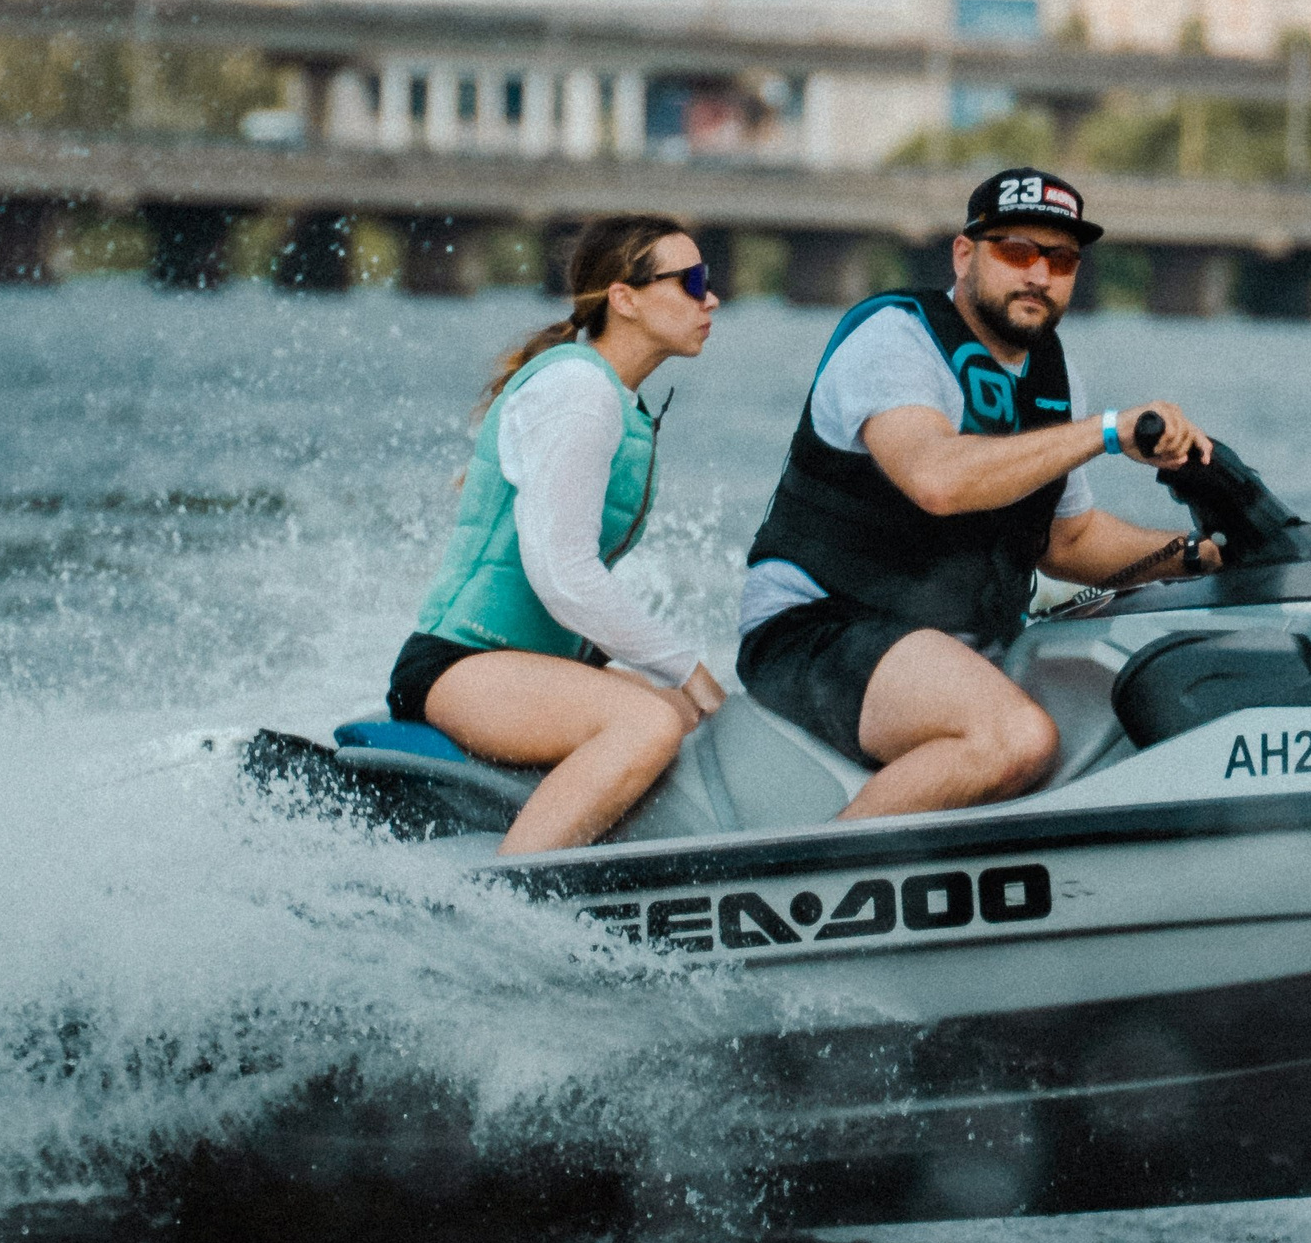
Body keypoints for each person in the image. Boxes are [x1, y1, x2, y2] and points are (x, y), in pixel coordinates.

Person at [737, 168, 1215, 820]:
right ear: (965, 254)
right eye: (1017, 252)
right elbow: (936, 478)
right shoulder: (894, 338)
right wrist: (1106, 431)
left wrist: (1206, 552)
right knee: (1015, 739)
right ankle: (803, 900)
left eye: (1062, 259)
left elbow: (1068, 542)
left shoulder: (1053, 370)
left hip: (952, 641)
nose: (1040, 276)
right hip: (815, 630)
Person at [386, 214, 725, 857]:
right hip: (461, 664)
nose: (711, 298)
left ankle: (605, 867)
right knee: (652, 719)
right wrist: (691, 669)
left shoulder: (611, 397)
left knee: (679, 715)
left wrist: (687, 687)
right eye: (693, 281)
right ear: (624, 299)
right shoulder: (578, 392)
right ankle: (508, 900)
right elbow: (563, 574)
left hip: (525, 665)